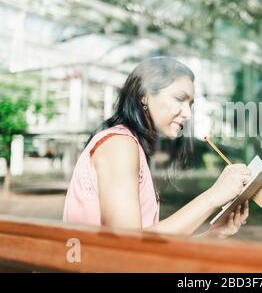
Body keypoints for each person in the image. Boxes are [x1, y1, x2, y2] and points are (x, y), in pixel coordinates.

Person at [63, 57, 250, 238]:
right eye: (179, 99)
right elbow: (128, 244)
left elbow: (142, 252)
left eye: (190, 105)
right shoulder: (119, 144)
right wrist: (213, 196)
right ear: (145, 96)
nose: (187, 114)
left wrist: (213, 235)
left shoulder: (135, 148)